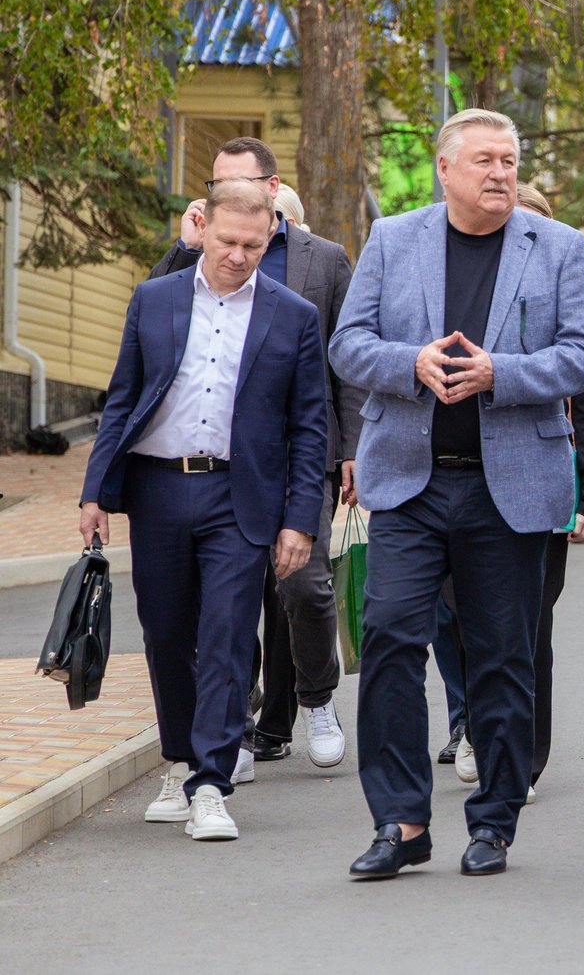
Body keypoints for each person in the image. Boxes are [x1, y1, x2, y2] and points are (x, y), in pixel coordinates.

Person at [331, 108, 584, 880]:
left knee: (501, 657)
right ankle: (401, 821)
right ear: (445, 170)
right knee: (390, 636)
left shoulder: (557, 246)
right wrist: (410, 364)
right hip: (408, 482)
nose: (500, 173)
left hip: (508, 486)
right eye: (485, 160)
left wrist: (500, 374)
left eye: (509, 161)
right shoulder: (394, 238)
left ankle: (494, 822)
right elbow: (347, 345)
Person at [81, 179, 329, 842]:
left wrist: (299, 520)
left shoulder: (294, 316)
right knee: (166, 635)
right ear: (203, 230)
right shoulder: (154, 298)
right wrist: (94, 492)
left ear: (270, 237)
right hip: (158, 489)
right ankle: (180, 760)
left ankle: (213, 782)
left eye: (253, 245)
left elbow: (310, 428)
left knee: (226, 636)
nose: (238, 256)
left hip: (239, 497)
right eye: (226, 242)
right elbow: (123, 397)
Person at [149, 136, 359, 774]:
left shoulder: (324, 260)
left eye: (234, 182)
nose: (220, 194)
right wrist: (185, 247)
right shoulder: (198, 252)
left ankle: (317, 699)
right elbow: (150, 325)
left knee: (304, 588)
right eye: (213, 186)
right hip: (220, 461)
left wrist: (354, 449)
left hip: (301, 455)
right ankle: (234, 729)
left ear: (271, 189)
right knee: (227, 601)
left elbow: (345, 364)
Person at [518, 185, 584, 801]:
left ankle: (524, 754)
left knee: (532, 627)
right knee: (469, 624)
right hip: (468, 485)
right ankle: (478, 724)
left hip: (549, 486)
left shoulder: (568, 305)